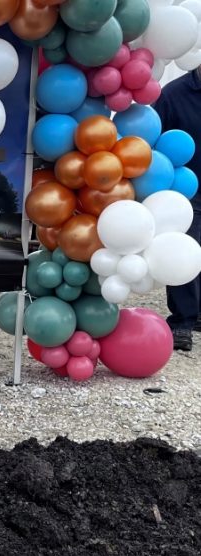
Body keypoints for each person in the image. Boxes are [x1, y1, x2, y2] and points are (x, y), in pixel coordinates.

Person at [152, 68, 201, 352]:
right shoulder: (173, 94)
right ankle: (183, 321)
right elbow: (155, 142)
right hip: (185, 190)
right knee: (184, 251)